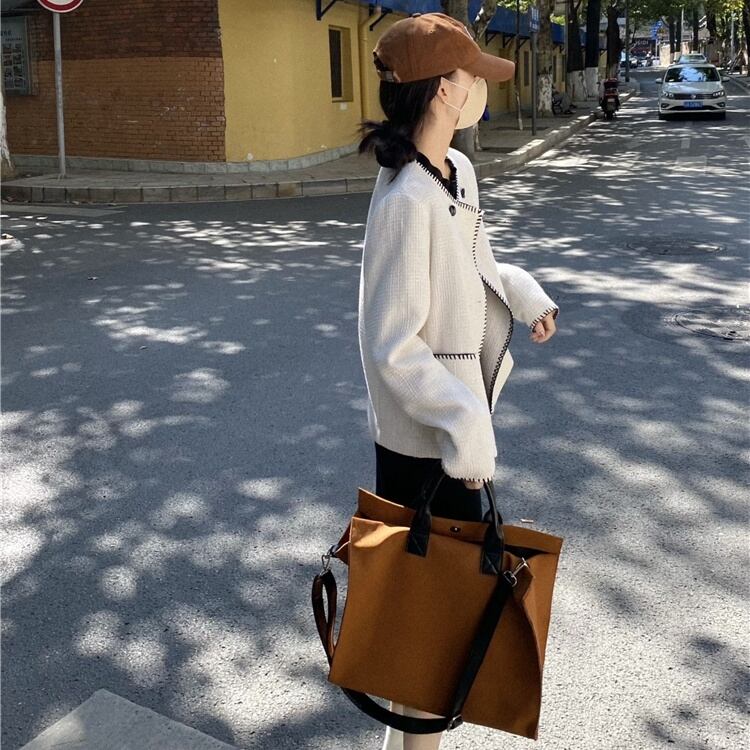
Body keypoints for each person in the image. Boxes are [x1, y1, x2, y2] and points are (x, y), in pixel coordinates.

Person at [357, 12, 559, 750]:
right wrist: (466, 427)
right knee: (428, 641)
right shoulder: (405, 201)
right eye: (474, 77)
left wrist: (523, 294)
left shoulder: (457, 174)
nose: (482, 89)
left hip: (454, 436)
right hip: (424, 445)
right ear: (444, 89)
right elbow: (391, 345)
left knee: (438, 639)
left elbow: (475, 267)